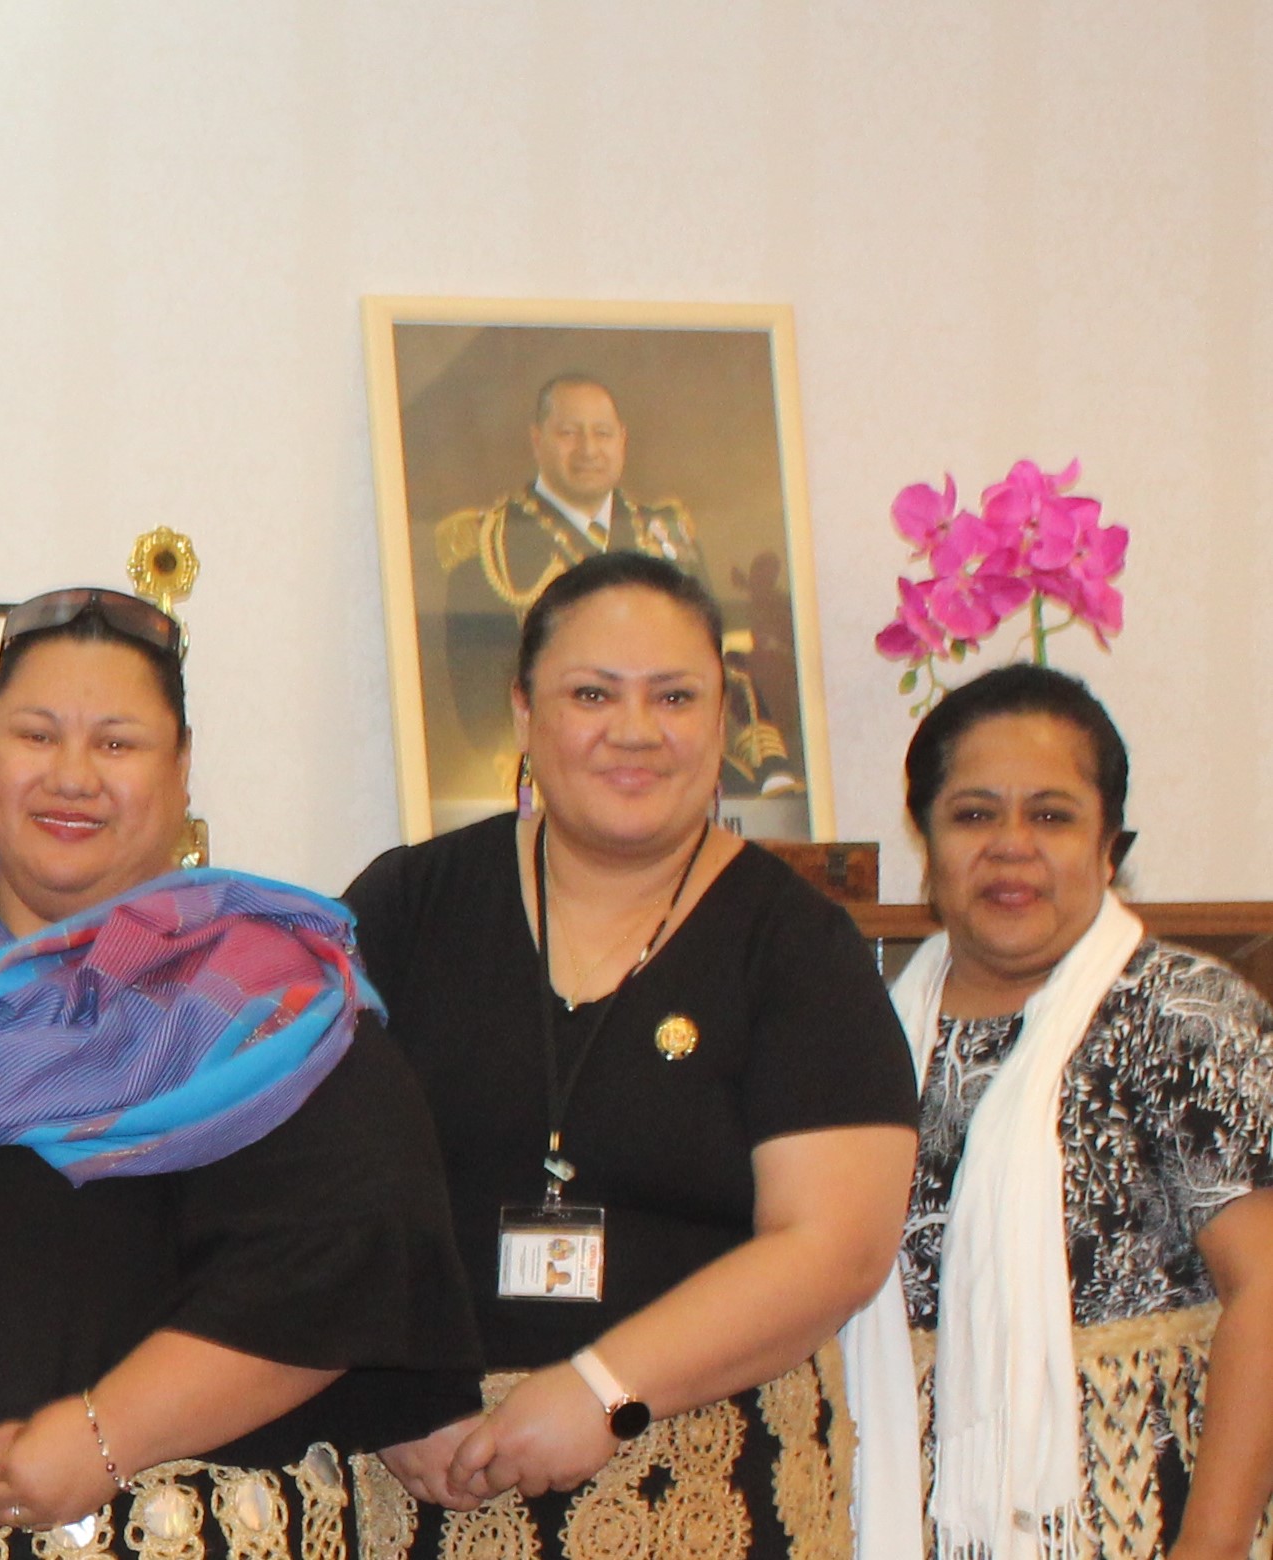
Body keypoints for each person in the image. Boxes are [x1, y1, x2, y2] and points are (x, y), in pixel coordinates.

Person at [0, 585, 477, 1560]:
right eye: (35, 735)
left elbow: (346, 1268)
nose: (71, 776)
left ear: (180, 770)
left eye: (116, 743)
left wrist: (105, 1436)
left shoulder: (272, 1006)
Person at [345, 550, 913, 1560]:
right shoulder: (407, 906)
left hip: (704, 1490)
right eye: (591, 694)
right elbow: (308, 1184)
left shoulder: (796, 946)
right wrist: (379, 1383)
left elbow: (835, 1246)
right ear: (524, 713)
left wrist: (607, 1390)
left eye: (674, 696)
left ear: (722, 721)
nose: (635, 730)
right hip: (425, 1481)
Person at [836, 664, 1273, 1560]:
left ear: (1108, 847)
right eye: (973, 815)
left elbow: (1267, 1290)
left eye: (1051, 816)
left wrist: (1214, 1545)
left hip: (1148, 1520)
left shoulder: (1186, 1017)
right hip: (896, 1517)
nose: (1011, 847)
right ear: (927, 843)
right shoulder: (861, 1035)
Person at [425, 375, 802, 798]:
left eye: (602, 433)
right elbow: (481, 706)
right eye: (569, 433)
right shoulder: (490, 547)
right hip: (557, 782)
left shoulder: (667, 533)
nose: (588, 450)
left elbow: (713, 661)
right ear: (537, 440)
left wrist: (760, 756)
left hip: (674, 769)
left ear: (622, 439)